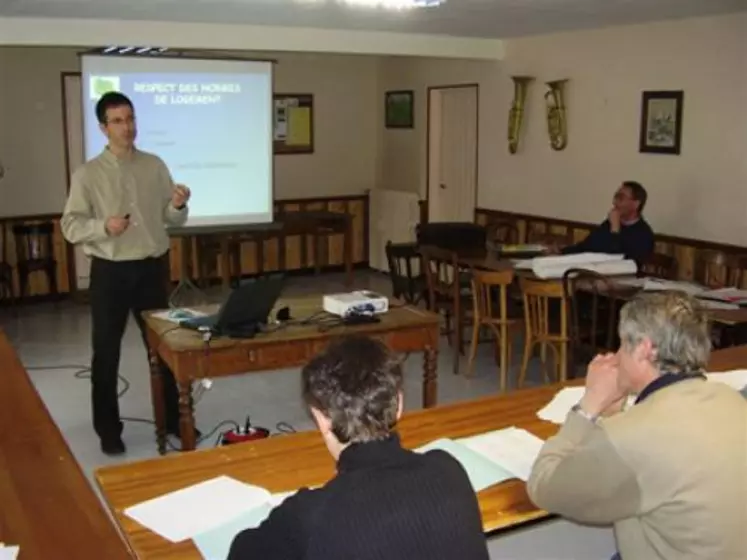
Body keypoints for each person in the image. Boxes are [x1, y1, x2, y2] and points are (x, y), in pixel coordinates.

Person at [527, 291, 747, 560]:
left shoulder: (632, 435)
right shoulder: (731, 400)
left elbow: (543, 486)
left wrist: (587, 408)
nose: (617, 356)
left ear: (644, 349)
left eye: (622, 345)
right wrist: (614, 419)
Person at [227, 335, 490, 560]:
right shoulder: (449, 470)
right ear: (398, 404)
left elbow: (241, 552)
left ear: (321, 418)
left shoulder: (309, 516)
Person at [61, 91, 191, 456]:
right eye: (118, 121)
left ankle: (173, 420)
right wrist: (104, 226)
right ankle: (108, 430)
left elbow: (170, 217)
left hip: (152, 268)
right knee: (106, 353)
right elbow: (70, 227)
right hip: (111, 273)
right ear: (104, 128)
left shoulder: (154, 165)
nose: (127, 127)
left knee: (165, 348)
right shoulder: (87, 174)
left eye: (131, 119)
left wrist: (178, 205)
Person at [559, 181, 655, 266]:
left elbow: (621, 263)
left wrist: (615, 230)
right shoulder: (608, 223)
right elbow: (586, 247)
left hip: (621, 281)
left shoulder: (644, 234)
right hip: (594, 271)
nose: (614, 202)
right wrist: (560, 251)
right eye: (615, 197)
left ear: (636, 204)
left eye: (620, 198)